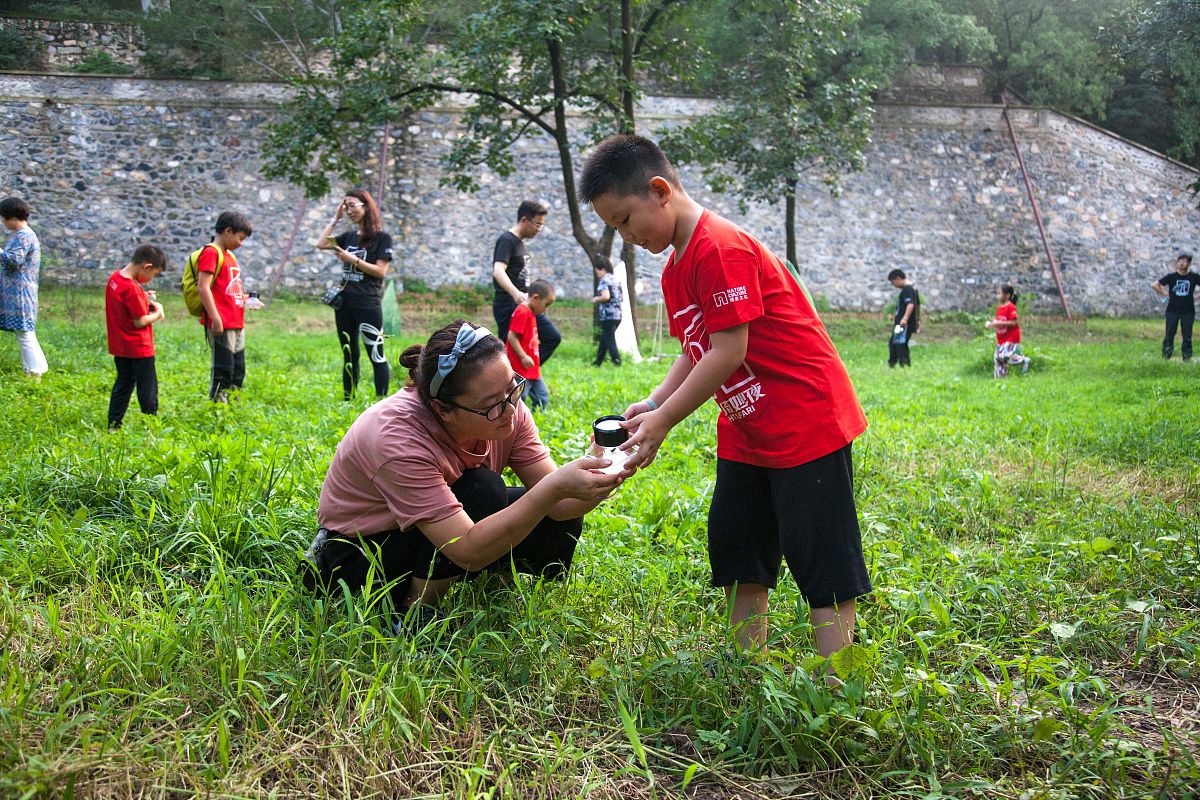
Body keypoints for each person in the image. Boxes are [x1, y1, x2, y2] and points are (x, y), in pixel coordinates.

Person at [579, 134, 870, 668]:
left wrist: (666, 420)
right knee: (739, 550)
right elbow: (699, 347)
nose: (625, 236)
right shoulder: (675, 267)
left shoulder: (720, 247)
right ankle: (746, 669)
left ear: (659, 190)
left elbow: (730, 351)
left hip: (806, 423)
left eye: (624, 220)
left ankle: (837, 685)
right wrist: (654, 400)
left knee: (822, 559)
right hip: (747, 431)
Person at [307, 320, 625, 633]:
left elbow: (559, 505)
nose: (512, 409)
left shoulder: (506, 406)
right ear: (444, 410)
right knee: (483, 489)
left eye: (512, 386)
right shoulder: (397, 439)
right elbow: (468, 549)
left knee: (543, 505)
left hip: (424, 533)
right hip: (355, 556)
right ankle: (415, 613)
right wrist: (552, 489)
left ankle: (497, 579)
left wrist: (604, 475)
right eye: (492, 405)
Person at [314, 189, 394, 399]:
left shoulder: (382, 238)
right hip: (345, 303)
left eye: (352, 206)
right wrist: (335, 218)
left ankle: (381, 402)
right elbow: (321, 243)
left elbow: (380, 271)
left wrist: (352, 260)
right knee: (349, 353)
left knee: (376, 354)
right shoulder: (348, 236)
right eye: (346, 206)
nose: (349, 211)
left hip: (368, 304)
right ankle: (348, 399)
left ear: (365, 207)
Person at [105, 245, 167, 431]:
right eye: (153, 274)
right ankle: (151, 429)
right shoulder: (132, 288)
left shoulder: (115, 279)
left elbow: (126, 309)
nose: (151, 279)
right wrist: (159, 313)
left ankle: (113, 426)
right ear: (146, 266)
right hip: (140, 348)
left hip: (121, 347)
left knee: (122, 385)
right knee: (147, 390)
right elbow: (140, 321)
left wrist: (143, 298)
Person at [491, 200, 561, 364]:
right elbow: (498, 271)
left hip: (524, 304)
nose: (539, 229)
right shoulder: (507, 240)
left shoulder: (519, 243)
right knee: (506, 353)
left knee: (552, 337)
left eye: (541, 225)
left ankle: (526, 375)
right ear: (524, 220)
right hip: (508, 305)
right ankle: (510, 384)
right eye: (537, 224)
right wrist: (516, 293)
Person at [196, 211, 252, 403]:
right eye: (240, 238)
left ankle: (233, 405)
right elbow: (203, 286)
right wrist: (216, 317)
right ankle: (219, 407)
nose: (241, 243)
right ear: (228, 231)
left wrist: (245, 299)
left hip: (237, 322)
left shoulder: (230, 256)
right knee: (223, 369)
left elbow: (229, 288)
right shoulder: (211, 252)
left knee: (238, 368)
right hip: (223, 323)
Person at [0, 196, 48, 379]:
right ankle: (35, 369)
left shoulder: (25, 236)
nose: (3, 222)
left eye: (3, 217)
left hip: (20, 294)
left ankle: (35, 372)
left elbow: (13, 260)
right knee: (25, 334)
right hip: (18, 293)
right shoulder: (23, 236)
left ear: (12, 217)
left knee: (25, 334)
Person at [506, 280, 555, 411]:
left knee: (542, 397)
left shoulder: (531, 313)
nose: (546, 309)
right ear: (535, 298)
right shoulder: (522, 312)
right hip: (521, 369)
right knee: (521, 398)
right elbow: (512, 336)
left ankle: (534, 419)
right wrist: (523, 356)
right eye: (546, 304)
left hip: (532, 369)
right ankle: (519, 420)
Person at [1151, 253, 1198, 361]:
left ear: (1189, 263)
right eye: (1180, 261)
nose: (1182, 263)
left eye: (1184, 261)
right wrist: (1165, 294)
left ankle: (1187, 358)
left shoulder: (1193, 277)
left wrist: (1197, 296)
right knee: (1169, 334)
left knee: (1187, 335)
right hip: (1172, 311)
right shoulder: (1171, 277)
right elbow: (1155, 285)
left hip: (1188, 311)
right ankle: (1166, 356)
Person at [984, 284, 1031, 379]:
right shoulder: (999, 308)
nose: (997, 296)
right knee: (997, 358)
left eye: (999, 294)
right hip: (1001, 339)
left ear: (1007, 295)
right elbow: (999, 321)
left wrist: (998, 322)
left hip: (1011, 337)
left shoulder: (1011, 307)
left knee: (1004, 356)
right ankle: (1000, 379)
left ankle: (1023, 360)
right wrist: (992, 323)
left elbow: (1014, 322)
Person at [591, 262, 623, 367]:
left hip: (608, 315)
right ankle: (598, 362)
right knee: (604, 339)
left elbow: (605, 296)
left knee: (609, 340)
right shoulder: (616, 280)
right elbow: (622, 298)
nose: (598, 275)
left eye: (598, 272)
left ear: (603, 269)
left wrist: (596, 299)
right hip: (617, 314)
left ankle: (617, 361)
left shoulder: (604, 280)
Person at [886, 268, 919, 368]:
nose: (894, 285)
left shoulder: (908, 289)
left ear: (898, 278)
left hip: (903, 323)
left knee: (899, 343)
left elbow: (910, 304)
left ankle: (903, 363)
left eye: (893, 282)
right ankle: (894, 363)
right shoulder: (909, 289)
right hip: (901, 322)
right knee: (895, 343)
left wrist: (905, 318)